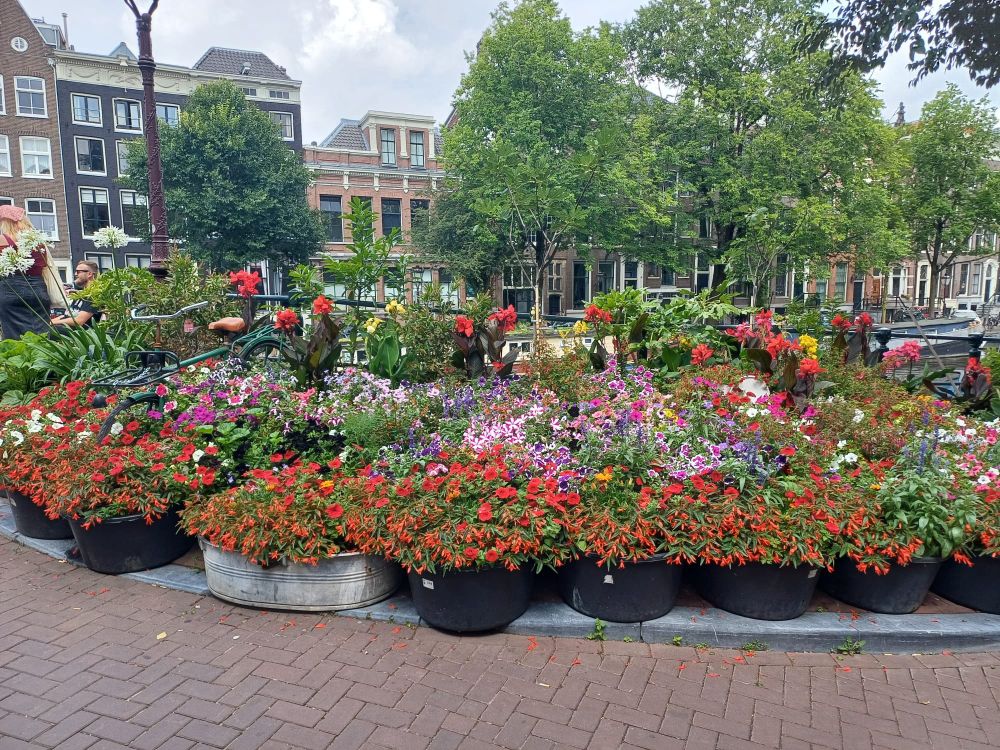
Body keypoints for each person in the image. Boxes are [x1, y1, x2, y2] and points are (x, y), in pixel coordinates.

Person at [0, 205, 54, 340]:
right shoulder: (37, 242)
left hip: (11, 289)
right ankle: (43, 359)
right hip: (38, 289)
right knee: (41, 334)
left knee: (15, 337)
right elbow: (44, 265)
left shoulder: (2, 240)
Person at [50, 261, 102, 328]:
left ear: (89, 274)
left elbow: (79, 321)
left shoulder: (93, 296)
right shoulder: (79, 295)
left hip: (77, 335)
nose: (75, 274)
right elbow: (66, 315)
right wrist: (48, 322)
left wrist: (52, 323)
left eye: (78, 272)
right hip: (64, 329)